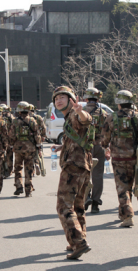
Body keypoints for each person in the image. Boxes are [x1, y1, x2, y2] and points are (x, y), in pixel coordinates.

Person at [51, 86, 94, 260]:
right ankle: (78, 238)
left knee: (63, 206)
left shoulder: (75, 114)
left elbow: (86, 120)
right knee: (78, 207)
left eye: (63, 97)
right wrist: (62, 146)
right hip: (83, 165)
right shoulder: (68, 118)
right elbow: (78, 137)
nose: (59, 101)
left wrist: (80, 111)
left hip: (73, 167)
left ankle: (78, 243)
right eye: (56, 99)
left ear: (71, 100)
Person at [101, 90, 138, 227]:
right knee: (137, 182)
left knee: (122, 187)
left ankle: (127, 215)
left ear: (118, 103)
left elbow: (104, 137)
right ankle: (128, 209)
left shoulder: (111, 117)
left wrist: (106, 147)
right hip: (135, 158)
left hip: (118, 159)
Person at [82, 88, 108, 214]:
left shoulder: (81, 112)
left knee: (84, 173)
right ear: (98, 99)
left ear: (86, 99)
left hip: (85, 147)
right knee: (98, 175)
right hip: (100, 146)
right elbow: (108, 132)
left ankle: (86, 197)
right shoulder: (104, 113)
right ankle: (96, 203)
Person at [9, 101, 40, 197]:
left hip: (18, 149)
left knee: (18, 168)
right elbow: (37, 135)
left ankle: (19, 186)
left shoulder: (14, 121)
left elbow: (11, 135)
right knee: (29, 169)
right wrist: (38, 146)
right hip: (30, 149)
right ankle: (28, 190)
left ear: (19, 111)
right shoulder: (32, 121)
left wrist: (11, 145)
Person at [29, 104, 46, 177]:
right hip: (38, 138)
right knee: (38, 153)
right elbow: (43, 127)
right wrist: (43, 136)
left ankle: (32, 170)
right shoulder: (38, 117)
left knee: (30, 155)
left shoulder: (27, 118)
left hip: (28, 139)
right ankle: (37, 164)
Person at [1, 104, 15, 178]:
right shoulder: (11, 117)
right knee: (10, 156)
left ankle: (3, 171)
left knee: (2, 155)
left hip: (2, 139)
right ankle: (9, 170)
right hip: (9, 139)